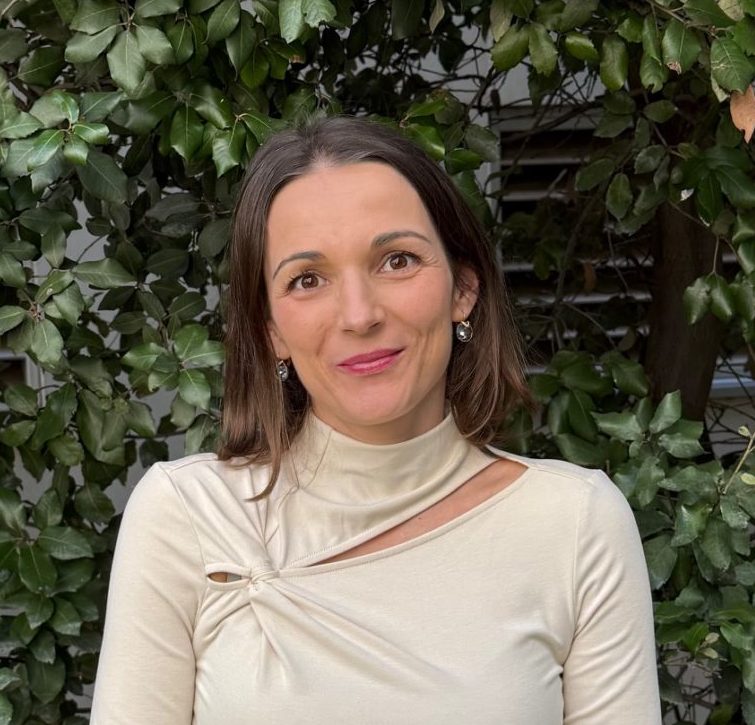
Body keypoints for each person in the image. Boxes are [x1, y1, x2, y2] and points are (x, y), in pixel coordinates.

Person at [90, 116, 661, 724]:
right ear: (271, 329)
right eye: (308, 279)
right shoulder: (188, 516)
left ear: (463, 289)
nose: (359, 315)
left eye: (397, 260)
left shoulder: (574, 524)